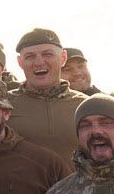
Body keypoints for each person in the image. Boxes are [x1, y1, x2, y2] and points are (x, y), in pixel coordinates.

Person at [7, 29, 88, 163]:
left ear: (63, 58)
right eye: (30, 57)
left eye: (47, 54)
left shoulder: (85, 105)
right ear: (20, 62)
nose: (39, 62)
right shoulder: (4, 106)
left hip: (78, 184)